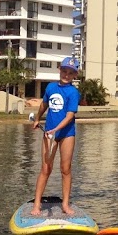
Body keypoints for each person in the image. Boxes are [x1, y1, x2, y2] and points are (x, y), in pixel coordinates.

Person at [29, 57, 81, 216]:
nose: (66, 74)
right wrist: (38, 119)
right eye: (64, 71)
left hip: (66, 134)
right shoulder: (51, 87)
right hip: (49, 134)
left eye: (70, 73)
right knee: (46, 168)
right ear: (59, 70)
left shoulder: (73, 92)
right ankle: (36, 205)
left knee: (66, 169)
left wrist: (55, 130)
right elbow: (44, 105)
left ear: (74, 76)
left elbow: (69, 116)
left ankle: (65, 204)